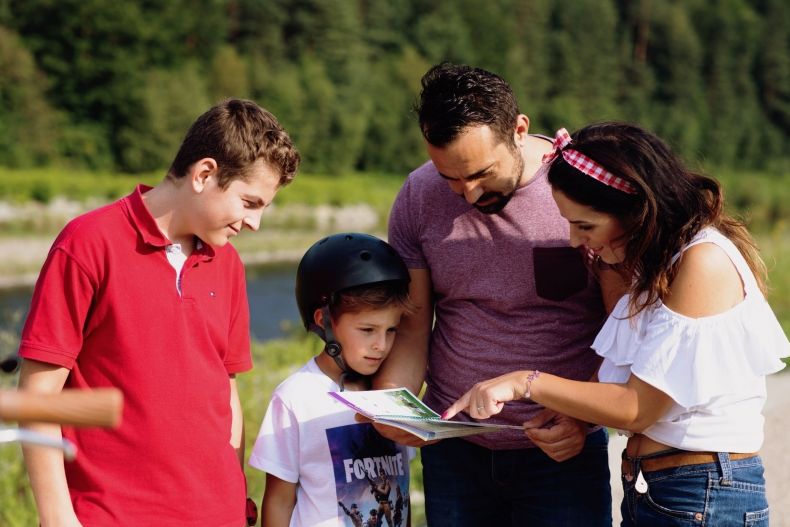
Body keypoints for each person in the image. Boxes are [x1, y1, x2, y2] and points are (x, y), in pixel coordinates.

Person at [444, 122, 790, 525]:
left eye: (585, 225)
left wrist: (525, 381)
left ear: (635, 208)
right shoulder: (654, 266)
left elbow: (637, 407)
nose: (574, 240)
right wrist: (575, 415)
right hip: (662, 491)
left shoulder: (703, 261)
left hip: (703, 493)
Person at [16, 98, 300, 526]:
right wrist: (57, 516)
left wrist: (236, 502)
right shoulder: (88, 244)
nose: (254, 223)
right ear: (204, 174)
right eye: (249, 202)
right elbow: (39, 394)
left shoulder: (230, 265)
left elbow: (226, 394)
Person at [376, 62, 617, 526]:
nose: (467, 194)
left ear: (519, 129)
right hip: (455, 455)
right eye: (450, 177)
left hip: (561, 453)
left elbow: (621, 328)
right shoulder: (417, 195)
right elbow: (413, 327)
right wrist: (394, 403)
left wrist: (583, 419)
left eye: (481, 173)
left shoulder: (580, 192)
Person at [249, 233, 415, 527]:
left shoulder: (393, 395)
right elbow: (278, 500)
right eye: (367, 330)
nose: (382, 344)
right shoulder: (296, 397)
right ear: (324, 321)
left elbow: (401, 493)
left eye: (391, 330)